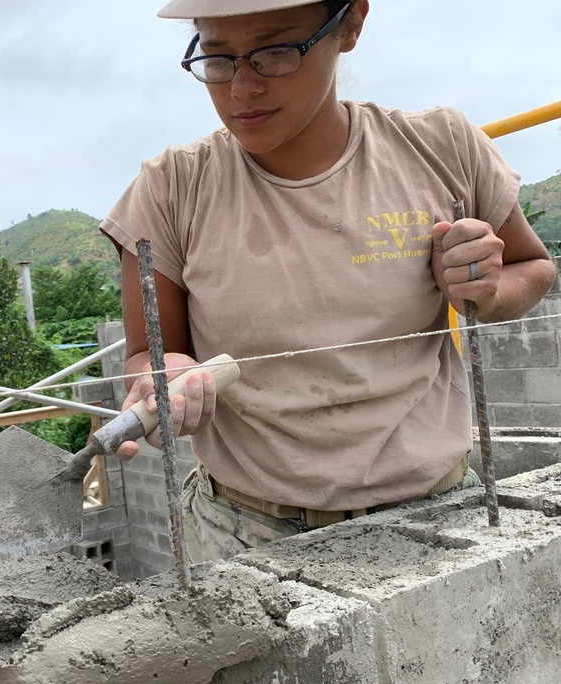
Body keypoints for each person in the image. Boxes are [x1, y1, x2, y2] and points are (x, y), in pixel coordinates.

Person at [101, 0, 556, 561]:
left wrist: (487, 288)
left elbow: (532, 268)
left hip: (437, 516)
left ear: (351, 24)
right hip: (243, 532)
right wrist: (165, 374)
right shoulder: (172, 188)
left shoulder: (441, 148)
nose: (241, 88)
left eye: (274, 52)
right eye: (217, 58)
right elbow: (150, 352)